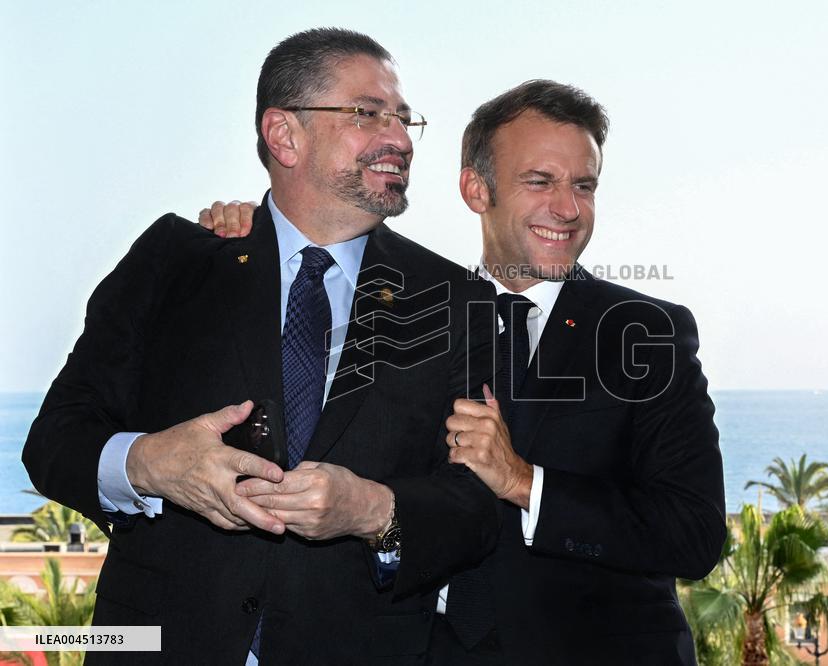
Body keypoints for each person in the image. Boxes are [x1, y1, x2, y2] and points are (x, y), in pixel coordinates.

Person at [203, 81, 725, 665]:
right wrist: (260, 235)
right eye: (540, 181)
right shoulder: (407, 307)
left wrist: (525, 483)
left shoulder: (646, 332)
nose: (569, 208)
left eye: (584, 185)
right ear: (476, 188)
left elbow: (694, 534)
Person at [22, 28, 498, 664]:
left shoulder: (455, 299)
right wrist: (148, 465)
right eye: (367, 113)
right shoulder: (177, 259)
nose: (400, 139)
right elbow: (54, 440)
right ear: (284, 134)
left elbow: (477, 508)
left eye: (403, 118)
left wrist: (374, 511)